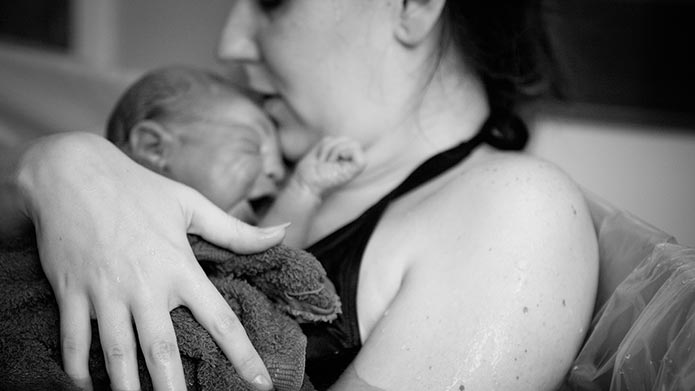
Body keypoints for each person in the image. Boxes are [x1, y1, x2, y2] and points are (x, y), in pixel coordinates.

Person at [0, 0, 599, 390]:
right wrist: (60, 165)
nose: (230, 42)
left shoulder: (514, 211)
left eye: (271, 2)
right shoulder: (259, 160)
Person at [105, 65, 365, 247]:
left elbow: (272, 260)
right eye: (252, 146)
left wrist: (304, 189)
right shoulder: (105, 224)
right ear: (154, 149)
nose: (277, 172)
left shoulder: (229, 251)